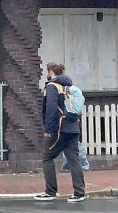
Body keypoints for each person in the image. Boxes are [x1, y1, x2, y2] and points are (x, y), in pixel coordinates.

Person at [34, 62, 86, 203]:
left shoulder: (52, 86)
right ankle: (79, 193)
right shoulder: (69, 86)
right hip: (73, 127)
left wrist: (48, 129)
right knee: (74, 160)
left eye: (46, 71)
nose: (45, 73)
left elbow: (50, 108)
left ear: (51, 72)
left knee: (47, 157)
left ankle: (50, 191)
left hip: (59, 129)